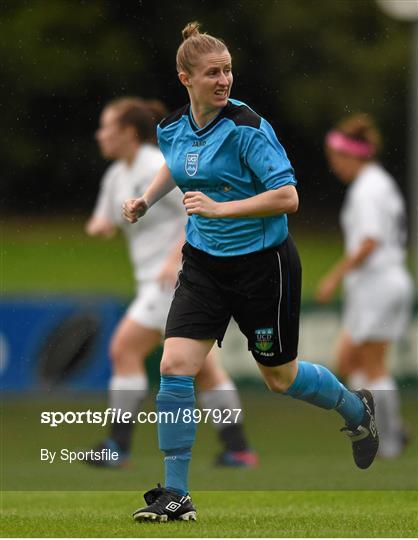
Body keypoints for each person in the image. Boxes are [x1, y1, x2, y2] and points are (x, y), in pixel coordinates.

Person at [123, 22, 379, 523]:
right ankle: (176, 495)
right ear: (185, 78)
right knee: (175, 365)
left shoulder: (248, 127)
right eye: (212, 73)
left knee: (279, 378)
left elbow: (289, 197)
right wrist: (146, 201)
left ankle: (356, 410)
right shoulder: (172, 127)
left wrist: (220, 209)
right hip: (204, 266)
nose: (224, 80)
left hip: (264, 266)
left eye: (228, 70)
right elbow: (178, 164)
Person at [85, 96, 257, 469]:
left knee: (123, 349)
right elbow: (105, 221)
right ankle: (238, 447)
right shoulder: (115, 176)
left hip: (177, 278)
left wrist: (174, 257)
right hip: (155, 282)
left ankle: (118, 445)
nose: (100, 135)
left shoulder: (157, 166)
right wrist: (105, 223)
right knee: (206, 368)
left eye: (106, 127)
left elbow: (196, 209)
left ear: (129, 133)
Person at [316, 113, 413, 459]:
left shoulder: (368, 189)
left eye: (336, 158)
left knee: (371, 364)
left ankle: (387, 439)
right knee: (348, 360)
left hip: (379, 282)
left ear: (352, 154)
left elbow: (369, 241)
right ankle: (388, 428)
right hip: (383, 283)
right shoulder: (377, 183)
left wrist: (334, 276)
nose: (334, 166)